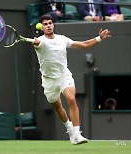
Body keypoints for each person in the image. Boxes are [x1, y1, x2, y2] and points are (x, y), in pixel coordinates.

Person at [32, 14, 111, 144]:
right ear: (42, 28)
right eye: (45, 24)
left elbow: (84, 45)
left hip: (64, 75)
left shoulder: (62, 39)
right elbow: (38, 44)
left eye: (50, 23)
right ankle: (69, 128)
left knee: (72, 99)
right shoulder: (40, 41)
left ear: (53, 24)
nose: (48, 26)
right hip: (48, 80)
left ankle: (77, 134)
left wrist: (99, 38)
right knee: (58, 107)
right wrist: (36, 43)